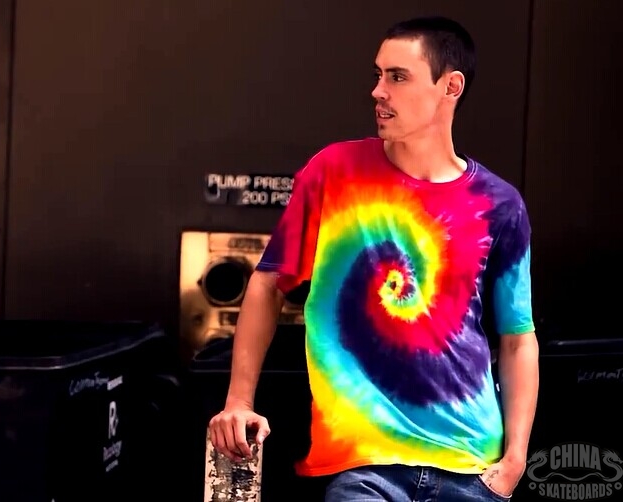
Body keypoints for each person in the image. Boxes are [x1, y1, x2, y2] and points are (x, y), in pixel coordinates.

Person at [207, 15, 539, 501]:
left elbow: (517, 339)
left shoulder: (500, 204)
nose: (378, 91)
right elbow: (266, 284)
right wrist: (238, 400)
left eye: (398, 77)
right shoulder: (333, 172)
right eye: (378, 74)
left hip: (473, 470)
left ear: (450, 87)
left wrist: (514, 461)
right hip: (363, 467)